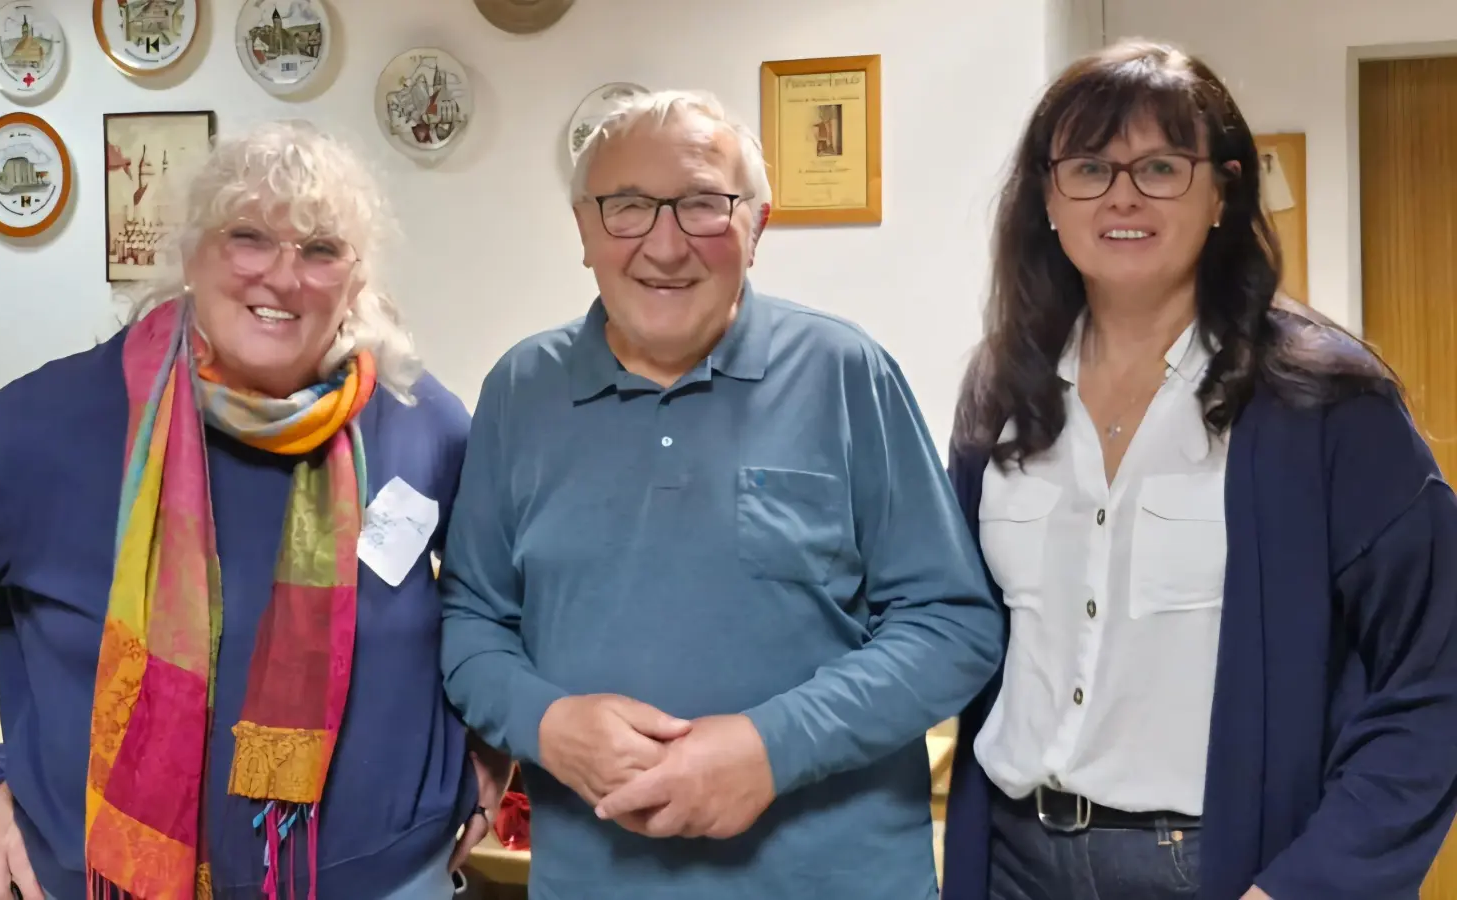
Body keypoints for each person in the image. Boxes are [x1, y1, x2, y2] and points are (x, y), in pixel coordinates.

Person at [0, 120, 509, 900]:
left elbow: (496, 596)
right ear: (192, 255)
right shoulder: (57, 421)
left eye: (320, 249)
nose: (283, 276)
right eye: (248, 237)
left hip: (390, 878)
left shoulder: (420, 419)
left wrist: (491, 749)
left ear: (356, 280)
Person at [437, 88, 1004, 899]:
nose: (666, 246)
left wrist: (774, 748)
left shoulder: (845, 374)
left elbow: (952, 625)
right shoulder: (519, 392)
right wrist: (548, 725)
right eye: (627, 207)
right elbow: (471, 623)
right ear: (585, 230)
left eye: (704, 205)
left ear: (757, 227)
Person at [941, 39, 1457, 900]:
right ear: (1048, 197)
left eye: (1160, 167)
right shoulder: (1003, 389)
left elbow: (1435, 677)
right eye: (1090, 168)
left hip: (1214, 870)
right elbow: (955, 630)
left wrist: (1309, 886)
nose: (1123, 196)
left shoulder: (1326, 405)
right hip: (1011, 860)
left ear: (1222, 191)